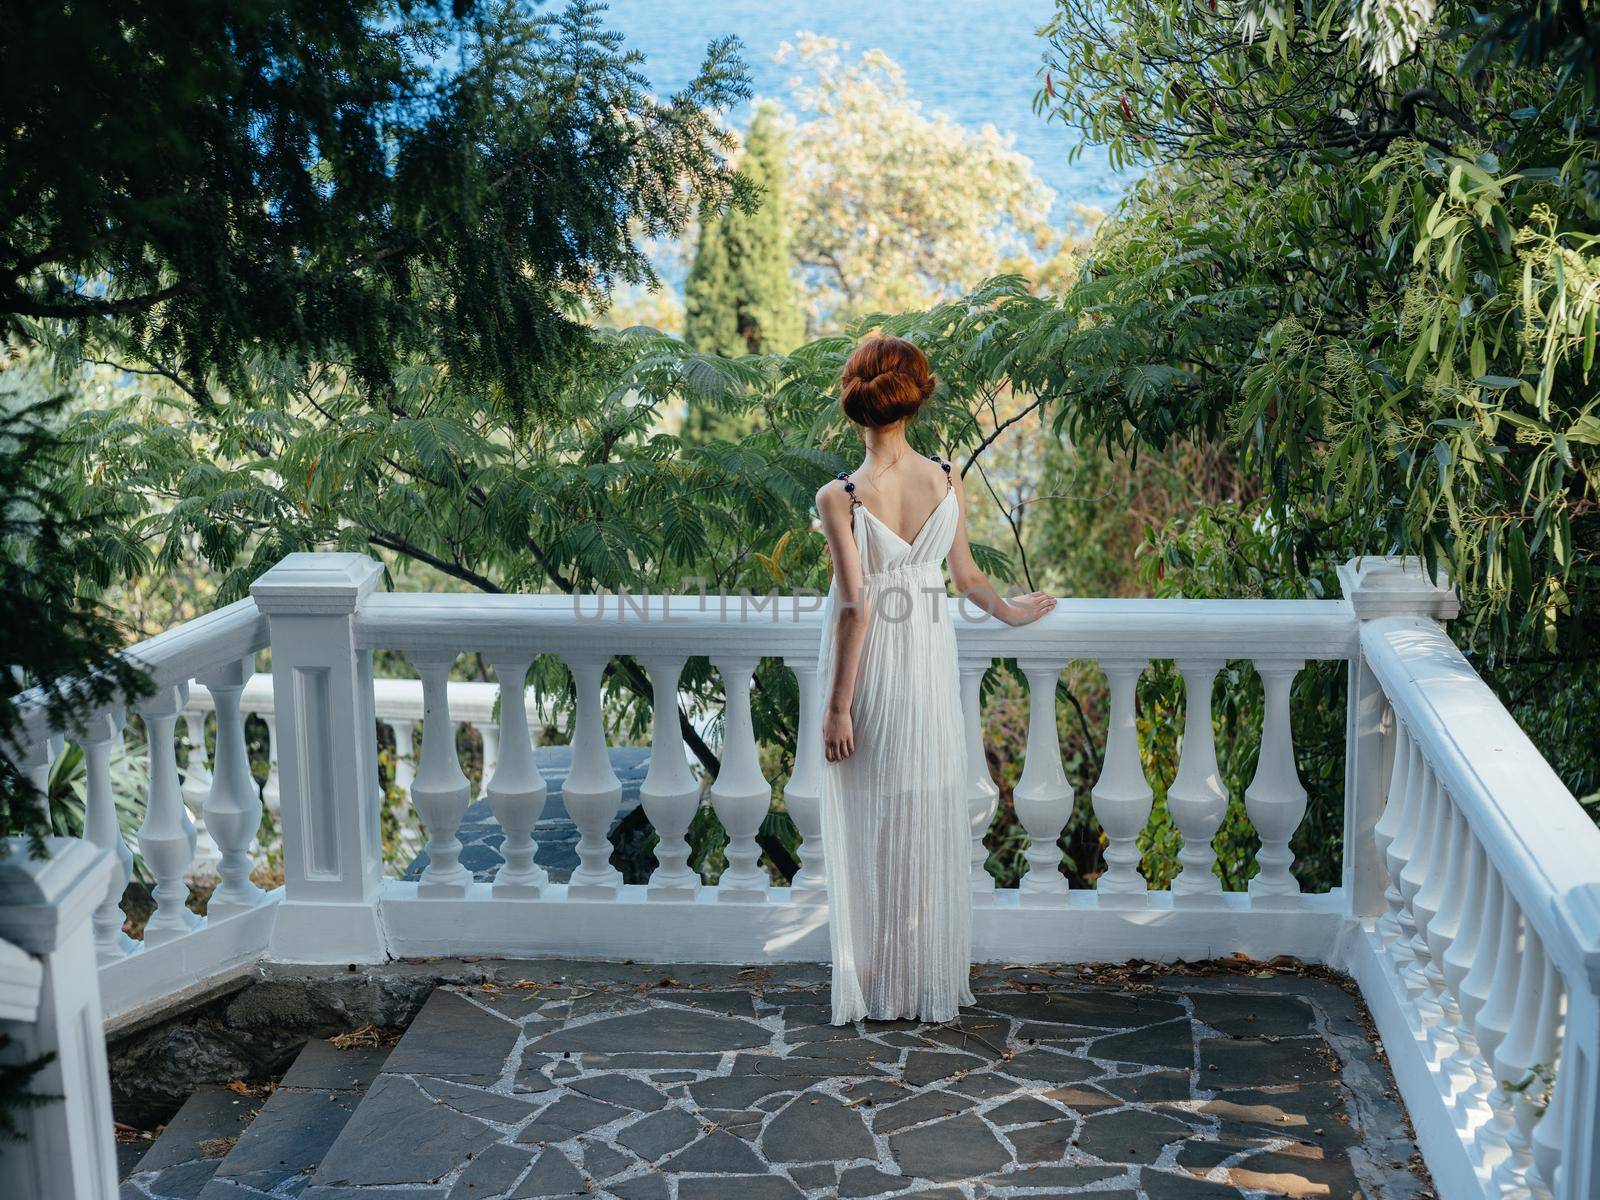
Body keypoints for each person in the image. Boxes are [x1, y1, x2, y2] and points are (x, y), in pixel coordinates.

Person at [815, 334, 1056, 1025]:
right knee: (920, 809)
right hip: (925, 662)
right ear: (914, 403)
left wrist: (838, 707)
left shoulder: (841, 496)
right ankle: (922, 982)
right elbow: (969, 578)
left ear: (854, 408)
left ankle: (880, 986)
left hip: (870, 673)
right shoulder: (947, 476)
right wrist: (1011, 613)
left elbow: (857, 607)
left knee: (872, 818)